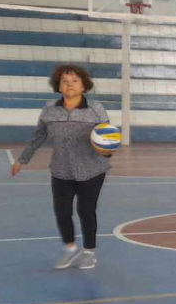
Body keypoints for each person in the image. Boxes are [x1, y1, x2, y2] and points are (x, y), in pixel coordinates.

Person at [10, 64, 112, 270]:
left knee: (86, 210)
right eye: (65, 81)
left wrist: (106, 152)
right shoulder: (49, 110)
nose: (69, 84)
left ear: (84, 86)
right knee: (62, 211)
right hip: (61, 169)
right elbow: (38, 136)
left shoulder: (96, 109)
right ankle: (71, 249)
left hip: (92, 169)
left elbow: (107, 137)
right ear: (58, 86)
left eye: (75, 81)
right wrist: (22, 160)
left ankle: (89, 252)